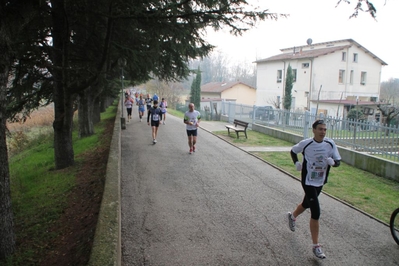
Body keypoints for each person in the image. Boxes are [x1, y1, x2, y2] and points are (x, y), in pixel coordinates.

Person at [288, 119, 341, 259]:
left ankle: (292, 216)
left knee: (306, 204)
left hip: (320, 181)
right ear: (314, 130)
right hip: (308, 181)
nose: (323, 132)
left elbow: (338, 161)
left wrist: (333, 163)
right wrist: (297, 163)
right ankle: (316, 246)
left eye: (324, 129)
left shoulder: (330, 144)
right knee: (316, 212)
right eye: (320, 129)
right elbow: (293, 151)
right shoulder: (307, 143)